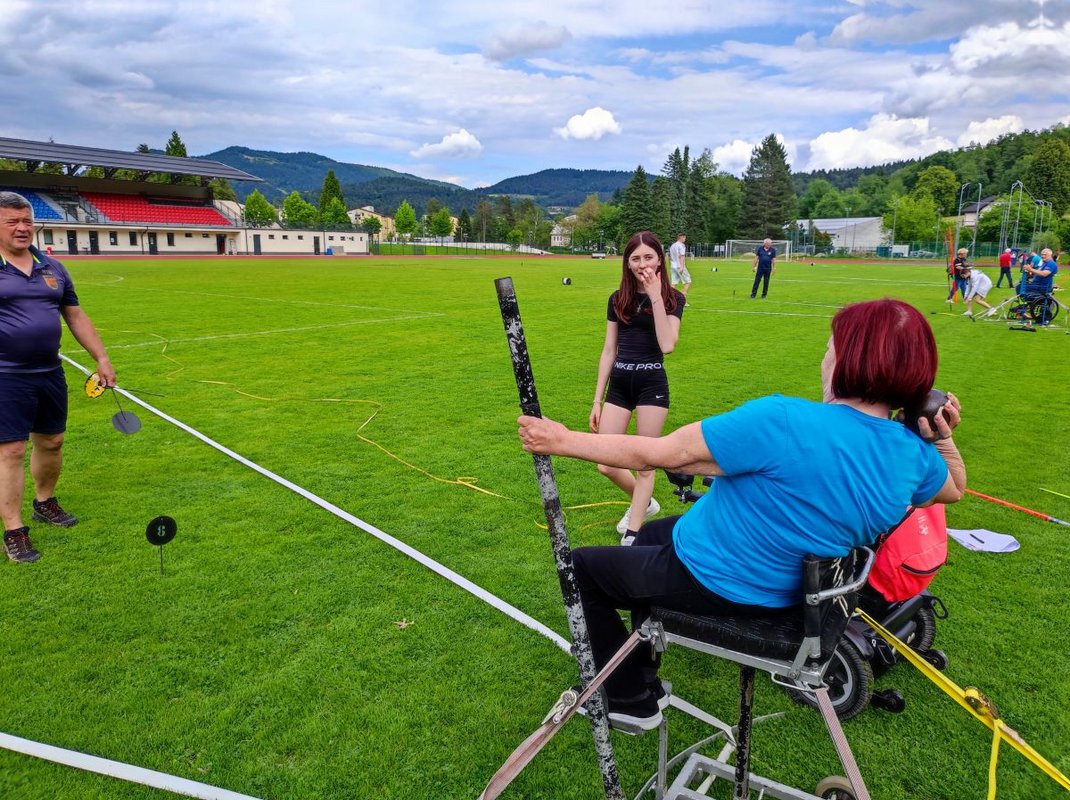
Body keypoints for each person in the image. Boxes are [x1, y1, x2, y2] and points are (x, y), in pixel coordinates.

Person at [518, 298, 965, 730]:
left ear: (849, 361)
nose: (825, 358)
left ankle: (630, 699)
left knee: (582, 568)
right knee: (651, 534)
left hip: (722, 579)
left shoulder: (783, 420)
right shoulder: (912, 455)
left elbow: (656, 453)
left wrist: (560, 440)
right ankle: (644, 661)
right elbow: (954, 488)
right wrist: (938, 432)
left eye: (830, 348)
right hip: (794, 585)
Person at [0, 192, 116, 564]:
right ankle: (14, 530)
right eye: (12, 222)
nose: (22, 228)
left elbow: (76, 316)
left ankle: (44, 501)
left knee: (52, 441)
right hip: (6, 376)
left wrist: (101, 357)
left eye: (27, 221)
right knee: (11, 450)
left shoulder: (53, 268)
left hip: (49, 372)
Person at [590, 231, 685, 545]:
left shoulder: (673, 299)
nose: (642, 263)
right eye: (635, 258)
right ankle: (644, 503)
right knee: (605, 463)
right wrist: (597, 399)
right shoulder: (618, 299)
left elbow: (668, 344)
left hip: (651, 386)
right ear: (627, 263)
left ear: (659, 260)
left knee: (645, 463)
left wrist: (656, 295)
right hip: (619, 385)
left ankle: (632, 534)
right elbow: (609, 350)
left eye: (648, 257)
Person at [667, 233, 691, 304]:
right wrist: (682, 267)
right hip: (679, 266)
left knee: (673, 283)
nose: (685, 239)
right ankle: (683, 301)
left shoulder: (672, 245)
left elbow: (670, 257)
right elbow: (682, 256)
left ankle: (670, 300)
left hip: (673, 266)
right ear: (681, 237)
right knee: (688, 282)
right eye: (684, 238)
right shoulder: (681, 245)